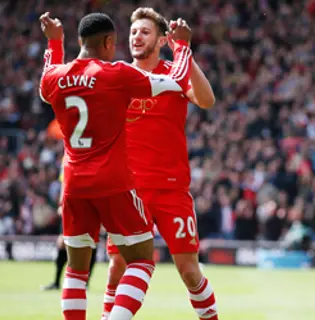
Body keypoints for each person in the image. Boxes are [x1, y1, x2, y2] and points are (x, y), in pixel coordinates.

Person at [38, 11, 193, 320]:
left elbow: (48, 77)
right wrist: (183, 47)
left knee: (77, 270)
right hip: (113, 182)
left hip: (73, 185)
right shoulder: (115, 74)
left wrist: (55, 41)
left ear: (80, 41)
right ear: (108, 42)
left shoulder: (54, 78)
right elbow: (177, 80)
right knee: (141, 260)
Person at [101, 8, 218, 320]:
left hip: (171, 190)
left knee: (189, 272)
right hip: (129, 192)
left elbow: (207, 100)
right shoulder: (118, 77)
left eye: (145, 32)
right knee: (117, 268)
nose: (136, 37)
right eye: (134, 32)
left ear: (163, 39)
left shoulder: (174, 74)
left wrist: (185, 52)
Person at [41, 156, 97, 291]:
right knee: (62, 242)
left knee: (91, 242)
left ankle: (85, 282)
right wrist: (62, 203)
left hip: (91, 200)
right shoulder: (67, 156)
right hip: (72, 202)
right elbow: (64, 181)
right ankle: (56, 281)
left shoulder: (92, 151)